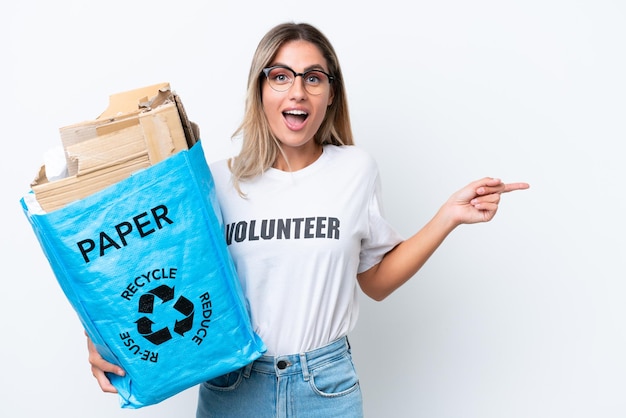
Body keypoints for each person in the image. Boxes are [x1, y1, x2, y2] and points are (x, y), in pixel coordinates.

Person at [87, 22, 529, 417]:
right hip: (233, 387)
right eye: (280, 76)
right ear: (260, 91)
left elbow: (374, 282)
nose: (297, 91)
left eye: (313, 78)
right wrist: (101, 337)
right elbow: (149, 269)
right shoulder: (215, 182)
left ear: (330, 94)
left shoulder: (356, 170)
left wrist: (447, 216)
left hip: (326, 388)